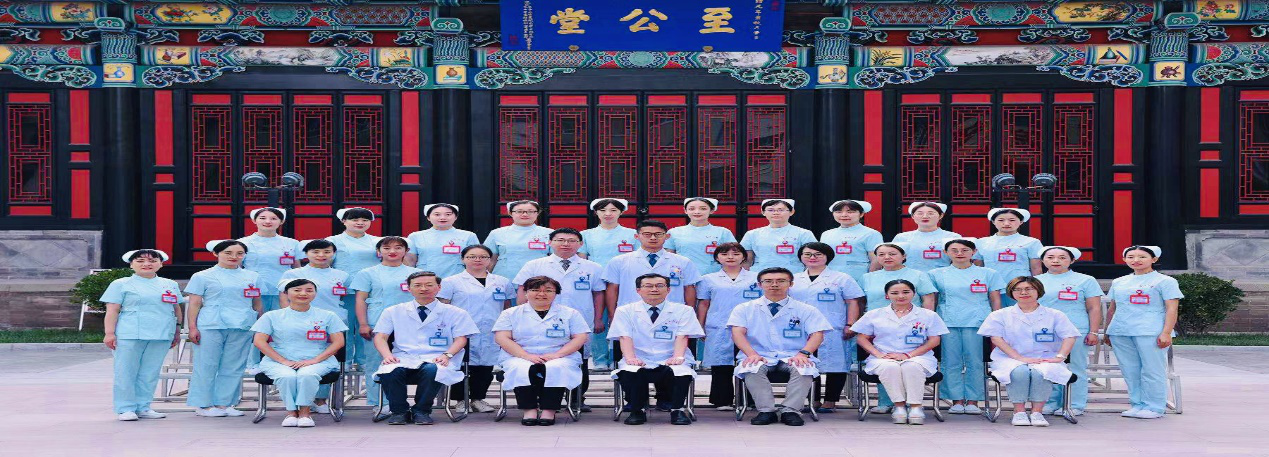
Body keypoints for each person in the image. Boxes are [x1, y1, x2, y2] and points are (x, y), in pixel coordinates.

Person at [512, 228, 606, 409]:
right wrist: (521, 314)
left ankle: (577, 399)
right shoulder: (534, 265)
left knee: (579, 358)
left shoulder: (592, 267)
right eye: (560, 240)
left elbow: (598, 294)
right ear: (550, 243)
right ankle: (542, 399)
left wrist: (598, 319)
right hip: (540, 318)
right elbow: (523, 290)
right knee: (542, 358)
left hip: (579, 319)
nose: (565, 244)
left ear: (580, 244)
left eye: (571, 241)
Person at [728, 267, 833, 426]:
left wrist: (803, 354)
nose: (774, 284)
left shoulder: (806, 309)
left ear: (791, 284)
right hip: (759, 354)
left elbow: (817, 334)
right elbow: (737, 333)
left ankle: (791, 411)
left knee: (803, 368)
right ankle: (766, 411)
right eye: (768, 281)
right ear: (759, 285)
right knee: (751, 367)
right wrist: (751, 354)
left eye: (781, 281)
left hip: (794, 354)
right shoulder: (744, 308)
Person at [372, 271, 480, 425]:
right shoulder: (393, 311)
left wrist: (447, 355)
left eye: (429, 285)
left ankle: (421, 411)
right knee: (390, 370)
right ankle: (399, 411)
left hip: (439, 356)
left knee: (433, 370)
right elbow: (381, 337)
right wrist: (387, 355)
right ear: (409, 288)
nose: (423, 288)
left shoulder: (455, 312)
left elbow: (461, 338)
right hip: (403, 356)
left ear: (439, 287)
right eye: (417, 285)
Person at [977, 276, 1080, 427]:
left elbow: (1069, 336)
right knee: (1019, 372)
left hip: (1045, 357)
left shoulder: (1055, 315)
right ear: (1011, 293)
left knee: (1041, 372)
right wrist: (1019, 357)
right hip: (1009, 358)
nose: (1023, 292)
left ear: (1038, 291)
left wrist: (1060, 356)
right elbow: (996, 339)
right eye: (1017, 289)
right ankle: (1019, 412)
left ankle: (1037, 413)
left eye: (1028, 289)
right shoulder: (999, 315)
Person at [609, 273, 705, 425]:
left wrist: (678, 357)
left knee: (680, 370)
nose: (654, 289)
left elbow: (682, 336)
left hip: (670, 355)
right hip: (639, 355)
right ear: (638, 290)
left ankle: (677, 410)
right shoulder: (624, 311)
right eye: (648, 286)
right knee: (630, 370)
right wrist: (631, 358)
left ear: (668, 289)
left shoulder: (684, 310)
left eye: (659, 286)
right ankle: (637, 411)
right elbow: (624, 336)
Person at [493, 276, 590, 426]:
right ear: (526, 293)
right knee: (521, 368)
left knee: (556, 367)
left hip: (560, 355)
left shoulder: (570, 313)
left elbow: (580, 337)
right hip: (519, 355)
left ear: (556, 293)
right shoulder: (510, 313)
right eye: (535, 290)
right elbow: (501, 337)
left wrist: (557, 355)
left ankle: (549, 410)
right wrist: (526, 356)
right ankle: (529, 410)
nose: (541, 294)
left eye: (548, 290)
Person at [851, 279, 950, 425]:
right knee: (890, 367)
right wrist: (879, 354)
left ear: (914, 294)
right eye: (895, 293)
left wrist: (908, 355)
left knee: (911, 366)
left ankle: (916, 407)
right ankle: (899, 406)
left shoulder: (928, 315)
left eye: (905, 292)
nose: (901, 296)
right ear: (887, 295)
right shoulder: (874, 314)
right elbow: (861, 338)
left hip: (918, 356)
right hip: (884, 357)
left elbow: (934, 340)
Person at [251, 279, 347, 427]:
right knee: (286, 376)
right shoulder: (271, 316)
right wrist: (283, 361)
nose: (303, 293)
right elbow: (259, 341)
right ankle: (291, 413)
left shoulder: (328, 315)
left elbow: (338, 342)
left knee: (307, 375)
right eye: (297, 290)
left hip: (318, 360)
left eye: (309, 290)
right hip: (279, 360)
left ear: (315, 293)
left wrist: (315, 360)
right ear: (286, 293)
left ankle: (305, 413)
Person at [101, 249, 183, 421]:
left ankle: (143, 406)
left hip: (161, 333)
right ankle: (125, 408)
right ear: (131, 265)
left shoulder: (170, 284)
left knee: (150, 372)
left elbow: (176, 308)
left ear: (161, 264)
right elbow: (113, 310)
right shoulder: (121, 284)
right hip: (130, 333)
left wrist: (177, 329)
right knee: (126, 372)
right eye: (140, 261)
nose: (147, 264)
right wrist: (109, 333)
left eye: (152, 261)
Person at [857, 242, 939, 413]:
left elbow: (928, 299)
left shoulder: (918, 275)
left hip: (911, 323)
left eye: (892, 254)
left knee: (909, 364)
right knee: (886, 361)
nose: (886, 257)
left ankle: (911, 404)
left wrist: (925, 321)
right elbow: (862, 301)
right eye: (881, 254)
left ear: (904, 256)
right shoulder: (868, 277)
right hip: (878, 324)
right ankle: (886, 402)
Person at [927, 238, 1004, 415]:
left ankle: (973, 400)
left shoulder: (988, 273)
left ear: (974, 252)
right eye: (954, 250)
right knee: (950, 361)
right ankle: (956, 400)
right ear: (946, 253)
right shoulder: (936, 274)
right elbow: (932, 300)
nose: (959, 253)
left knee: (975, 361)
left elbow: (995, 299)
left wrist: (997, 322)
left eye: (964, 250)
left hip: (978, 322)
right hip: (948, 321)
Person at [185, 240, 262, 417]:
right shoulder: (202, 276)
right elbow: (195, 304)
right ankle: (203, 405)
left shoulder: (252, 276)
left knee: (234, 365)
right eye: (228, 253)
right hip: (211, 324)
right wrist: (192, 327)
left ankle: (225, 403)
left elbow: (256, 303)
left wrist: (259, 325)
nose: (234, 257)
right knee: (206, 364)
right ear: (216, 254)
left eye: (239, 253)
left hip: (242, 324)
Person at [1105, 245, 1182, 420]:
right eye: (1131, 257)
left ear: (1154, 259)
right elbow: (1113, 308)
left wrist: (1166, 332)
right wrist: (1108, 330)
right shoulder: (1119, 281)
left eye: (1142, 257)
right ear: (1124, 259)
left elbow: (1172, 308)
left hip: (1150, 330)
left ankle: (1154, 406)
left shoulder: (1165, 281)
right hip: (1121, 330)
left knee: (1152, 370)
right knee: (1130, 370)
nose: (1136, 260)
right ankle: (1137, 404)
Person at [349, 236, 422, 411]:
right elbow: (360, 300)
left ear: (406, 251)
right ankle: (379, 403)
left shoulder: (417, 273)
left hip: (410, 323)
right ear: (378, 252)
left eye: (398, 248)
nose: (392, 251)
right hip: (377, 322)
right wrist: (363, 324)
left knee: (407, 363)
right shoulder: (367, 273)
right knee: (376, 363)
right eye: (387, 248)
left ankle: (404, 403)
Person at [789, 242, 863, 413]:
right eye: (808, 254)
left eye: (818, 254)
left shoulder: (841, 278)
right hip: (801, 329)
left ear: (827, 257)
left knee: (836, 364)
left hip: (833, 326)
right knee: (806, 364)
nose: (812, 257)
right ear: (801, 257)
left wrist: (850, 324)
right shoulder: (794, 279)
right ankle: (812, 400)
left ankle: (830, 401)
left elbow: (853, 302)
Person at [436, 245, 511, 414]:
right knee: (460, 364)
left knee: (486, 365)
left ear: (490, 260)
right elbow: (443, 306)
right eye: (472, 256)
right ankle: (460, 400)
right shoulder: (451, 281)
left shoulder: (502, 281)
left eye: (483, 257)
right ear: (463, 259)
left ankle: (478, 398)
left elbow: (506, 306)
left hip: (491, 329)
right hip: (461, 330)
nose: (478, 260)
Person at [279, 239, 351, 413]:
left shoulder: (342, 275)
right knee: (299, 356)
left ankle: (320, 400)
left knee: (326, 358)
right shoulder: (293, 274)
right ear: (306, 254)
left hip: (331, 321)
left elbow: (344, 298)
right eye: (315, 252)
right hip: (300, 321)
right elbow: (284, 297)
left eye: (326, 251)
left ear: (334, 254)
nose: (321, 255)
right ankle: (300, 400)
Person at [1036, 246, 1104, 416]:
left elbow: (1094, 308)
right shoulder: (1035, 281)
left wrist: (1093, 332)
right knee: (1048, 366)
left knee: (1075, 366)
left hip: (1076, 329)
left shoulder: (1085, 280)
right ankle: (1051, 402)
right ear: (1043, 260)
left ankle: (1075, 403)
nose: (1056, 261)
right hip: (1045, 330)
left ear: (1072, 260)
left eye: (1062, 257)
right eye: (1050, 257)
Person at [694, 242, 758, 410]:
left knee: (751, 362)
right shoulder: (708, 279)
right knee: (721, 364)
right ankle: (722, 400)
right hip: (719, 325)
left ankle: (750, 400)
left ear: (744, 257)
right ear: (717, 258)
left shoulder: (756, 278)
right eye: (724, 254)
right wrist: (700, 326)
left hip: (751, 326)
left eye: (736, 254)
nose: (730, 257)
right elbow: (703, 304)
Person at [238, 207, 300, 371]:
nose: (268, 221)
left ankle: (283, 361)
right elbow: (237, 267)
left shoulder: (291, 243)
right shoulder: (243, 243)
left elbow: (296, 268)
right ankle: (252, 363)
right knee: (255, 327)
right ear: (254, 220)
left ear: (281, 222)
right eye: (263, 218)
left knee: (283, 327)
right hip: (254, 292)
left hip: (283, 293)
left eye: (273, 218)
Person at [326, 207, 382, 371]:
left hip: (371, 290)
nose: (360, 223)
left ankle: (365, 361)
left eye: (365, 220)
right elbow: (326, 264)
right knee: (346, 326)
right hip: (345, 291)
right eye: (355, 219)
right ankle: (346, 361)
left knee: (368, 325)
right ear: (344, 221)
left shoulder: (378, 241)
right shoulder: (333, 241)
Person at [974, 208, 1043, 307]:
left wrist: (1036, 288)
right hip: (991, 287)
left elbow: (1036, 268)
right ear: (993, 222)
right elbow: (978, 267)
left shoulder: (1031, 242)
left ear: (1021, 222)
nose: (1006, 223)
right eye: (1001, 220)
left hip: (1020, 287)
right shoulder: (981, 242)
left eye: (1012, 220)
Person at [740, 199, 816, 273]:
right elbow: (746, 261)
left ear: (791, 212)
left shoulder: (804, 234)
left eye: (781, 210)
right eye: (770, 210)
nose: (776, 213)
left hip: (794, 275)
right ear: (763, 212)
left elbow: (812, 258)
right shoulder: (752, 234)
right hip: (760, 276)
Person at [666, 197, 737, 275]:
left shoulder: (723, 232)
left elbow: (734, 255)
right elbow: (668, 257)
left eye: (703, 209)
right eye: (691, 209)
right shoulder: (674, 232)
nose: (697, 212)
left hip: (715, 276)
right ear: (685, 211)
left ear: (712, 210)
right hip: (683, 275)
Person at [406, 203, 480, 278]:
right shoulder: (416, 236)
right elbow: (410, 262)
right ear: (428, 217)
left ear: (455, 217)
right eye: (437, 214)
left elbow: (475, 260)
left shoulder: (468, 236)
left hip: (458, 279)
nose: (443, 217)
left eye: (448, 214)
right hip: (424, 279)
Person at [819, 199, 883, 284]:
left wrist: (870, 280)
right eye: (838, 212)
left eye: (850, 212)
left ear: (861, 214)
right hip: (830, 278)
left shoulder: (871, 234)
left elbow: (876, 260)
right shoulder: (827, 234)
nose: (844, 215)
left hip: (859, 278)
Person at [486, 200, 553, 278]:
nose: (525, 214)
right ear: (510, 213)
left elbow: (556, 259)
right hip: (504, 277)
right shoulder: (497, 233)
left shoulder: (549, 233)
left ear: (537, 213)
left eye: (530, 211)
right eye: (519, 211)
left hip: (538, 278)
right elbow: (490, 260)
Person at [892, 202, 961, 273]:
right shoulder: (902, 238)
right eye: (920, 213)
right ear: (913, 216)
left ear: (941, 215)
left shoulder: (952, 237)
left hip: (942, 276)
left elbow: (961, 261)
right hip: (911, 277)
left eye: (931, 213)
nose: (925, 216)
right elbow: (893, 260)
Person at [579, 198, 640, 266]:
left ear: (621, 212)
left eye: (613, 210)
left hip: (624, 272)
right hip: (596, 272)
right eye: (602, 210)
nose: (607, 214)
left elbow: (639, 258)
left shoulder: (634, 234)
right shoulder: (585, 235)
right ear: (596, 212)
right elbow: (582, 261)